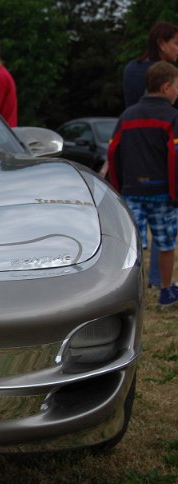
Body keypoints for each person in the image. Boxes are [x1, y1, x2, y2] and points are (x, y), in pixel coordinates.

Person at [107, 61, 178, 307]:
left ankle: (129, 296)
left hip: (132, 190)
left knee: (132, 247)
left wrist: (119, 186)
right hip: (163, 192)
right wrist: (175, 191)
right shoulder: (172, 117)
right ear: (166, 87)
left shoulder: (127, 115)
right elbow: (175, 154)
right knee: (166, 243)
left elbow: (113, 151)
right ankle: (166, 291)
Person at [122, 21, 178, 289]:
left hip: (135, 153)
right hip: (160, 151)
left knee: (135, 231)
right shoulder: (166, 77)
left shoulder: (131, 70)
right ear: (161, 43)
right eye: (176, 43)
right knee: (163, 222)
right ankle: (158, 281)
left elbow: (128, 108)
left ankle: (135, 283)